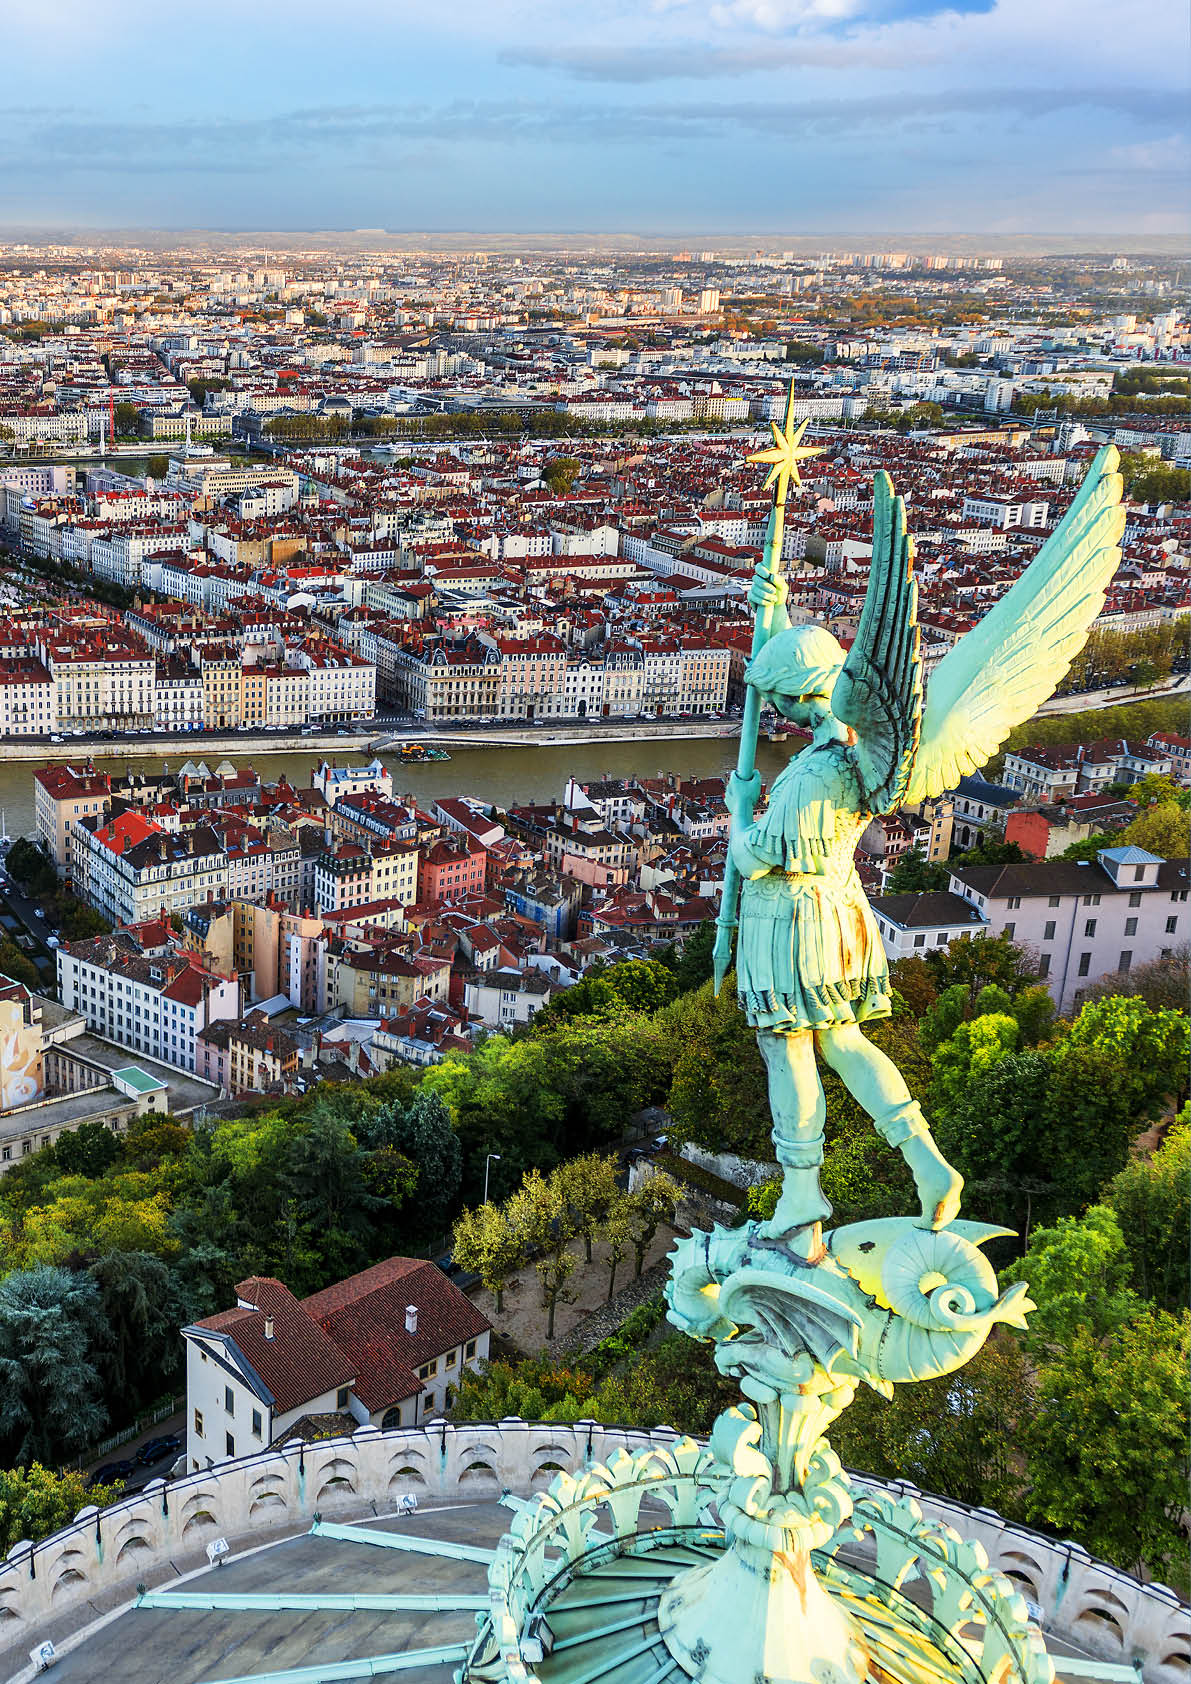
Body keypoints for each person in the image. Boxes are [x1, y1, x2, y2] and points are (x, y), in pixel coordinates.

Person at [728, 558, 962, 1261]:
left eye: (779, 704)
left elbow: (753, 859)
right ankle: (926, 1161)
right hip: (838, 911)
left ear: (796, 700)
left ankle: (801, 1194)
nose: (775, 717)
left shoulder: (810, 775)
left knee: (788, 1048)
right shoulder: (852, 752)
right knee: (845, 1041)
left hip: (789, 921)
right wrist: (774, 616)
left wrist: (736, 814)